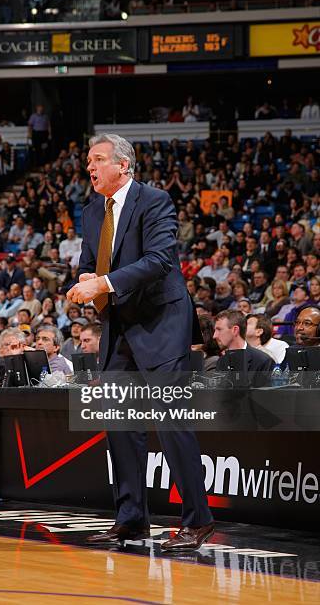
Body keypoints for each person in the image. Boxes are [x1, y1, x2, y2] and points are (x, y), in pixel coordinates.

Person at [66, 133, 212, 551]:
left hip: (162, 322)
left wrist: (103, 282)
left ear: (123, 165)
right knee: (120, 425)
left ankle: (197, 521)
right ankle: (131, 519)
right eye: (88, 160)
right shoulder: (93, 208)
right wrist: (85, 278)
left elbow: (160, 259)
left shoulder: (155, 200)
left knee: (171, 422)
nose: (89, 167)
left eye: (97, 160)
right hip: (120, 326)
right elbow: (90, 258)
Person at [213, 310, 275, 387]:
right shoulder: (221, 361)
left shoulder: (263, 360)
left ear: (235, 330)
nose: (214, 335)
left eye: (219, 329)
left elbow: (264, 396)